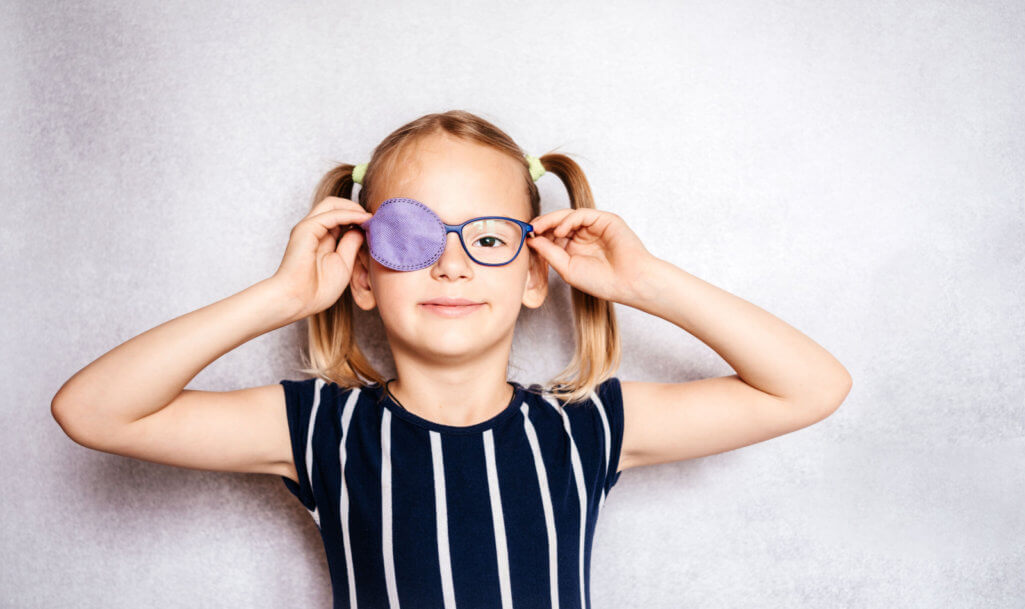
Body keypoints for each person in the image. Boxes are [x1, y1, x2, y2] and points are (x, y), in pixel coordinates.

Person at [51, 109, 852, 609]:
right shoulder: (322, 427)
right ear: (363, 274)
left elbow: (811, 386)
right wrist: (282, 296)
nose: (452, 263)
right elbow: (92, 410)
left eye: (490, 237)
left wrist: (643, 280)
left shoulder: (587, 428)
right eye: (411, 236)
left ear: (536, 272)